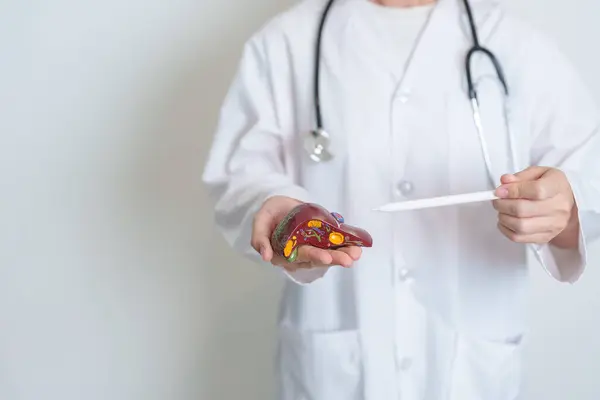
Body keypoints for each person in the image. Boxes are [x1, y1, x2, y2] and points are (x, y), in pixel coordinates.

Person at [202, 0, 600, 398]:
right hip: (335, 370)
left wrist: (562, 212)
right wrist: (275, 209)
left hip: (473, 371)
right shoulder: (285, 43)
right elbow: (240, 175)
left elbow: (587, 179)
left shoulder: (515, 43)